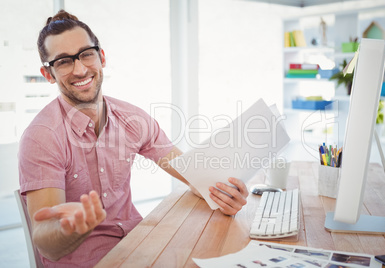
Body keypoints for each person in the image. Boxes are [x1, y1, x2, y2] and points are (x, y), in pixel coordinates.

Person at [18, 10, 249, 267]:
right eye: (63, 61)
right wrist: (69, 230)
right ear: (48, 74)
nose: (80, 69)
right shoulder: (42, 137)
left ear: (101, 57)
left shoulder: (131, 119)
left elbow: (191, 173)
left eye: (86, 54)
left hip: (138, 247)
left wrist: (223, 194)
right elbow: (45, 242)